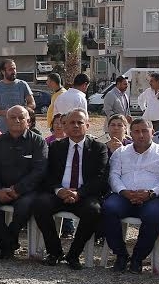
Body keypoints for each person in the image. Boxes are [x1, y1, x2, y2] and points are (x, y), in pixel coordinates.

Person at [31, 109, 109, 269]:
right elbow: (47, 174)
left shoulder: (98, 148)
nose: (76, 125)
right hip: (59, 193)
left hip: (84, 195)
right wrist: (59, 190)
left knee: (94, 210)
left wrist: (79, 193)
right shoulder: (55, 147)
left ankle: (73, 255)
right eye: (72, 122)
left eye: (80, 122)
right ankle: (54, 252)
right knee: (40, 204)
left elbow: (100, 178)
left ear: (87, 125)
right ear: (64, 126)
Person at [101, 117, 159, 273]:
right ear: (130, 133)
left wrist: (151, 193)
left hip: (152, 198)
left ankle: (138, 258)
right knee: (108, 208)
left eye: (144, 131)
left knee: (153, 215)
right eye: (136, 131)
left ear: (152, 132)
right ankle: (121, 254)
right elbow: (113, 176)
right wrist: (123, 191)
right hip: (123, 196)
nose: (140, 135)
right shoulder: (121, 153)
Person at [0, 106, 48, 260]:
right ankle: (9, 242)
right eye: (13, 117)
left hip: (26, 191)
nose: (17, 120)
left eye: (21, 118)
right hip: (1, 189)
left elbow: (39, 171)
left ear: (28, 121)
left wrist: (17, 189)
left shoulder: (38, 142)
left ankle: (0, 242)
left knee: (24, 206)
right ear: (6, 120)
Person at [0, 59, 35, 133]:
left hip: (21, 128)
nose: (14, 71)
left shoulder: (22, 85)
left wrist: (20, 111)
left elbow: (32, 103)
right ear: (3, 71)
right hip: (2, 129)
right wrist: (4, 112)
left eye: (14, 68)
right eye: (10, 69)